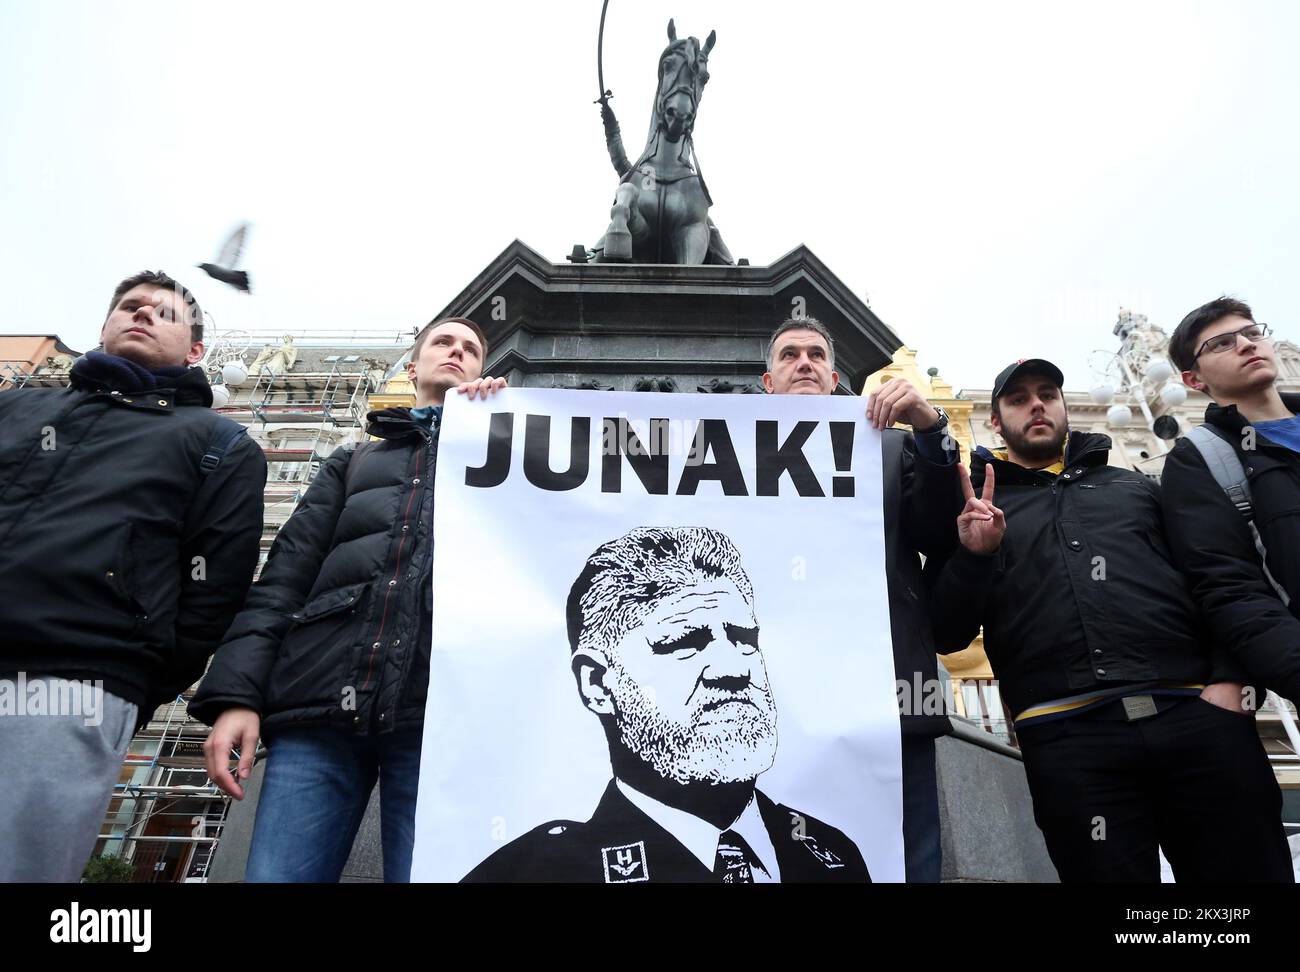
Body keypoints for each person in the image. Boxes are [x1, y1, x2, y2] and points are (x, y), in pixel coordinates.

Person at [925, 357, 1292, 882]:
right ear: (996, 423)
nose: (1036, 405)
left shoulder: (1137, 487)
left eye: (1048, 393)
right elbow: (946, 631)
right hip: (1069, 740)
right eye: (1018, 398)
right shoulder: (975, 510)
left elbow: (1218, 579)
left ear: (1064, 408)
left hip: (1196, 719)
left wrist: (1230, 681)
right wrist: (975, 556)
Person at [191, 316, 507, 883]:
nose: (457, 353)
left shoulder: (506, 455)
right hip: (319, 711)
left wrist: (506, 430)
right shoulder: (352, 461)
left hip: (439, 718)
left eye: (472, 350)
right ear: (413, 368)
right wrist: (236, 696)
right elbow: (283, 579)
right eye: (443, 343)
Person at [0, 270, 267, 882]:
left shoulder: (218, 442)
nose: (143, 314)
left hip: (73, 681)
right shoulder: (14, 408)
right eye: (130, 306)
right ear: (104, 325)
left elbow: (215, 592)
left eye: (164, 313)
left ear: (196, 349)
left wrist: (134, 679)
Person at [464, 526, 870, 883]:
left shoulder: (831, 855)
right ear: (597, 683)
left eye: (745, 640)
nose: (733, 669)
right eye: (685, 644)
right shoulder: (535, 872)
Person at [761, 316, 962, 883]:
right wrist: (489, 414)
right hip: (779, 707)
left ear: (834, 377)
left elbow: (939, 534)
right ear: (768, 382)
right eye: (790, 355)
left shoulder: (893, 446)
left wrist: (931, 428)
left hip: (889, 704)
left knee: (904, 864)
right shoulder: (725, 449)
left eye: (816, 355)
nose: (804, 362)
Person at [1160, 298, 1300, 703]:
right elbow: (1230, 589)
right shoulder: (1202, 458)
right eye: (1222, 343)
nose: (1246, 344)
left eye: (1253, 333)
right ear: (1193, 379)